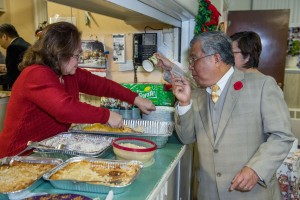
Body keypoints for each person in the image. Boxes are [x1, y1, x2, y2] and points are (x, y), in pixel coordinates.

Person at [157, 31, 295, 200]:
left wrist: (255, 169)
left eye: (194, 59)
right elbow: (187, 138)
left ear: (216, 59)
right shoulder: (198, 95)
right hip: (208, 193)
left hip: (252, 194)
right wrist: (184, 104)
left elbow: (282, 136)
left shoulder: (262, 86)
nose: (190, 66)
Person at [0, 22, 155, 158]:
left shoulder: (66, 72)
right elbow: (64, 108)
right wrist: (105, 115)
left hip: (43, 153)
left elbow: (101, 85)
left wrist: (135, 99)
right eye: (76, 55)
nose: (79, 60)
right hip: (18, 156)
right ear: (60, 54)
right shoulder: (36, 74)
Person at [0, 23, 31, 89]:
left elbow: (12, 76)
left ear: (4, 36)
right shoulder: (24, 43)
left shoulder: (12, 47)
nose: (0, 44)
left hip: (23, 86)